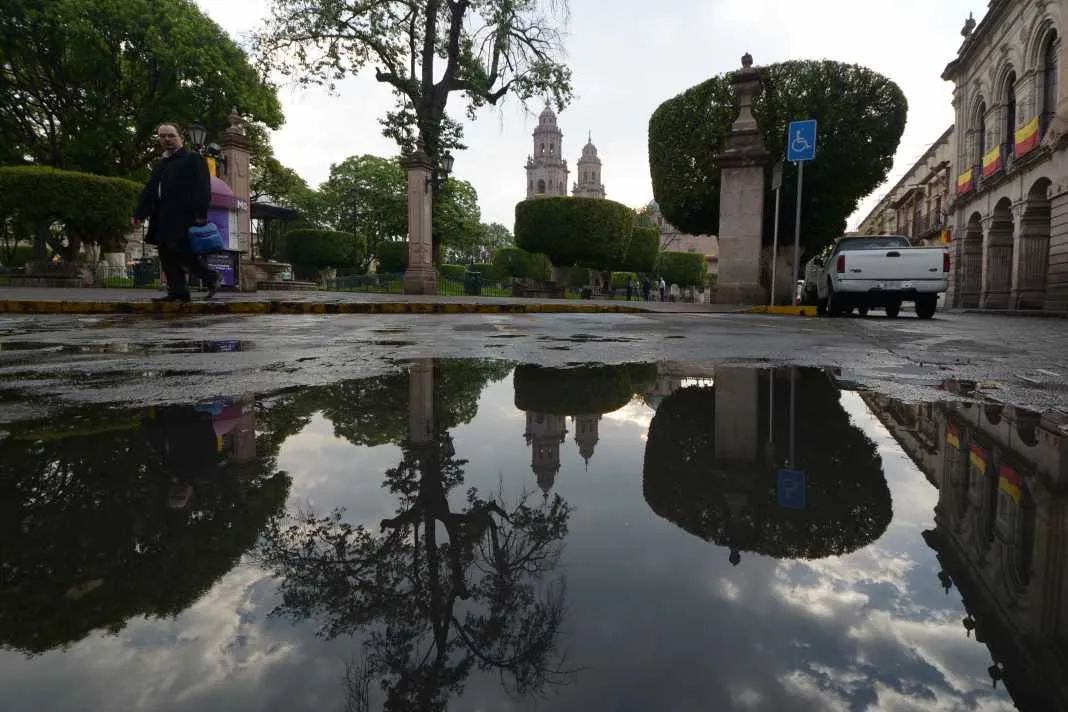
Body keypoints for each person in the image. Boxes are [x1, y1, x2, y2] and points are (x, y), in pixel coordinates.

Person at [132, 122, 219, 302]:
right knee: (165, 253)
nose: (167, 139)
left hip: (184, 216)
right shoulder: (161, 164)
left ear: (181, 137)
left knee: (181, 251)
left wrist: (201, 214)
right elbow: (150, 191)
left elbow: (202, 188)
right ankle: (178, 291)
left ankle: (210, 277)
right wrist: (139, 213)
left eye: (171, 135)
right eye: (162, 136)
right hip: (162, 217)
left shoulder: (193, 159)